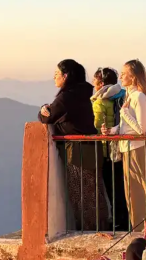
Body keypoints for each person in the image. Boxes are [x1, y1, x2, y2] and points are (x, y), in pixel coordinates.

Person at [40, 60, 111, 231]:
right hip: (91, 148)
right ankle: (100, 227)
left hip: (78, 152)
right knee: (94, 193)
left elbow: (48, 117)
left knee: (81, 194)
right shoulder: (82, 92)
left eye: (57, 74)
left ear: (65, 76)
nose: (54, 77)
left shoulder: (67, 97)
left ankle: (89, 231)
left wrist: (43, 109)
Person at [103, 60, 146, 230]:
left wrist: (124, 113)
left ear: (133, 77)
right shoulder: (130, 96)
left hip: (137, 149)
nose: (120, 77)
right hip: (128, 149)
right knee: (131, 194)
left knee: (140, 193)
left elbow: (141, 129)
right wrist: (112, 130)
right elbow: (126, 126)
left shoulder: (139, 97)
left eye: (124, 74)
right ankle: (138, 228)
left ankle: (145, 229)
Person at [92, 67, 130, 231]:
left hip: (107, 150)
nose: (93, 84)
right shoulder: (122, 95)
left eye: (94, 81)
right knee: (121, 187)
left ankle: (117, 221)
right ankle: (126, 219)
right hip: (122, 148)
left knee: (111, 188)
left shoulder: (100, 101)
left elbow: (96, 126)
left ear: (101, 83)